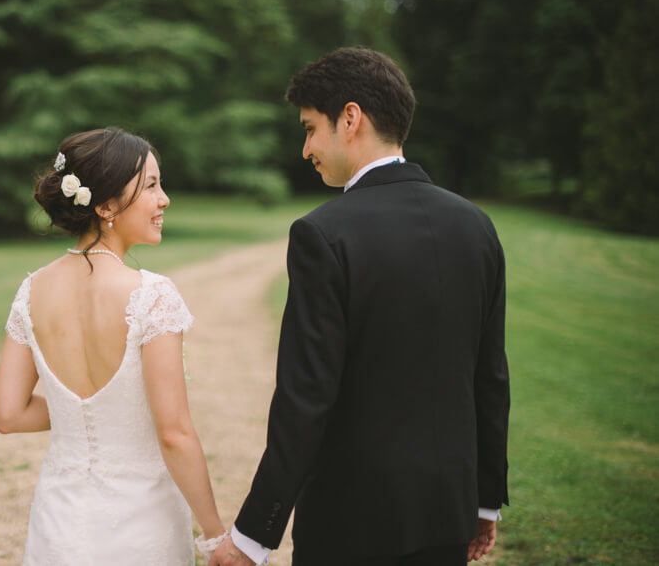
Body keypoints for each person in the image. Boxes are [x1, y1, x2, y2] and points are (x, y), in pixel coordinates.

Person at [211, 47, 510, 566]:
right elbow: (490, 378)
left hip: (351, 523)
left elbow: (305, 401)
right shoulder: (476, 226)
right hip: (447, 514)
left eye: (309, 128)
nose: (305, 148)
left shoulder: (323, 234)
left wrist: (253, 536)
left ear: (350, 119)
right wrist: (485, 500)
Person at [0, 127, 227, 565]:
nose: (165, 200)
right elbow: (174, 433)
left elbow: (9, 415)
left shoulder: (31, 292)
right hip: (142, 524)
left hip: (58, 523)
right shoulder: (151, 296)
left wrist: (78, 413)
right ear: (104, 207)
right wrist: (215, 536)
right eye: (152, 186)